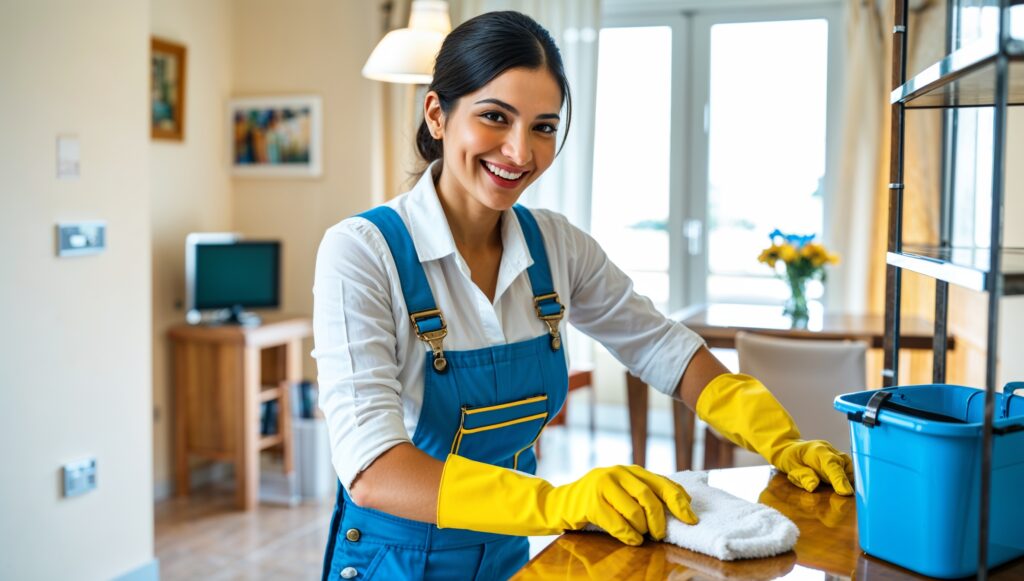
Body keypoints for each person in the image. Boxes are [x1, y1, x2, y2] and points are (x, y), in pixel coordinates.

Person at [312, 11, 853, 581]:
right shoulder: (363, 252)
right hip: (392, 561)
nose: (520, 153)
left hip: (505, 553)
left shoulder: (557, 247)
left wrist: (781, 440)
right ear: (438, 115)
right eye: (495, 117)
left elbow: (665, 349)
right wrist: (559, 503)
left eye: (543, 127)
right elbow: (373, 469)